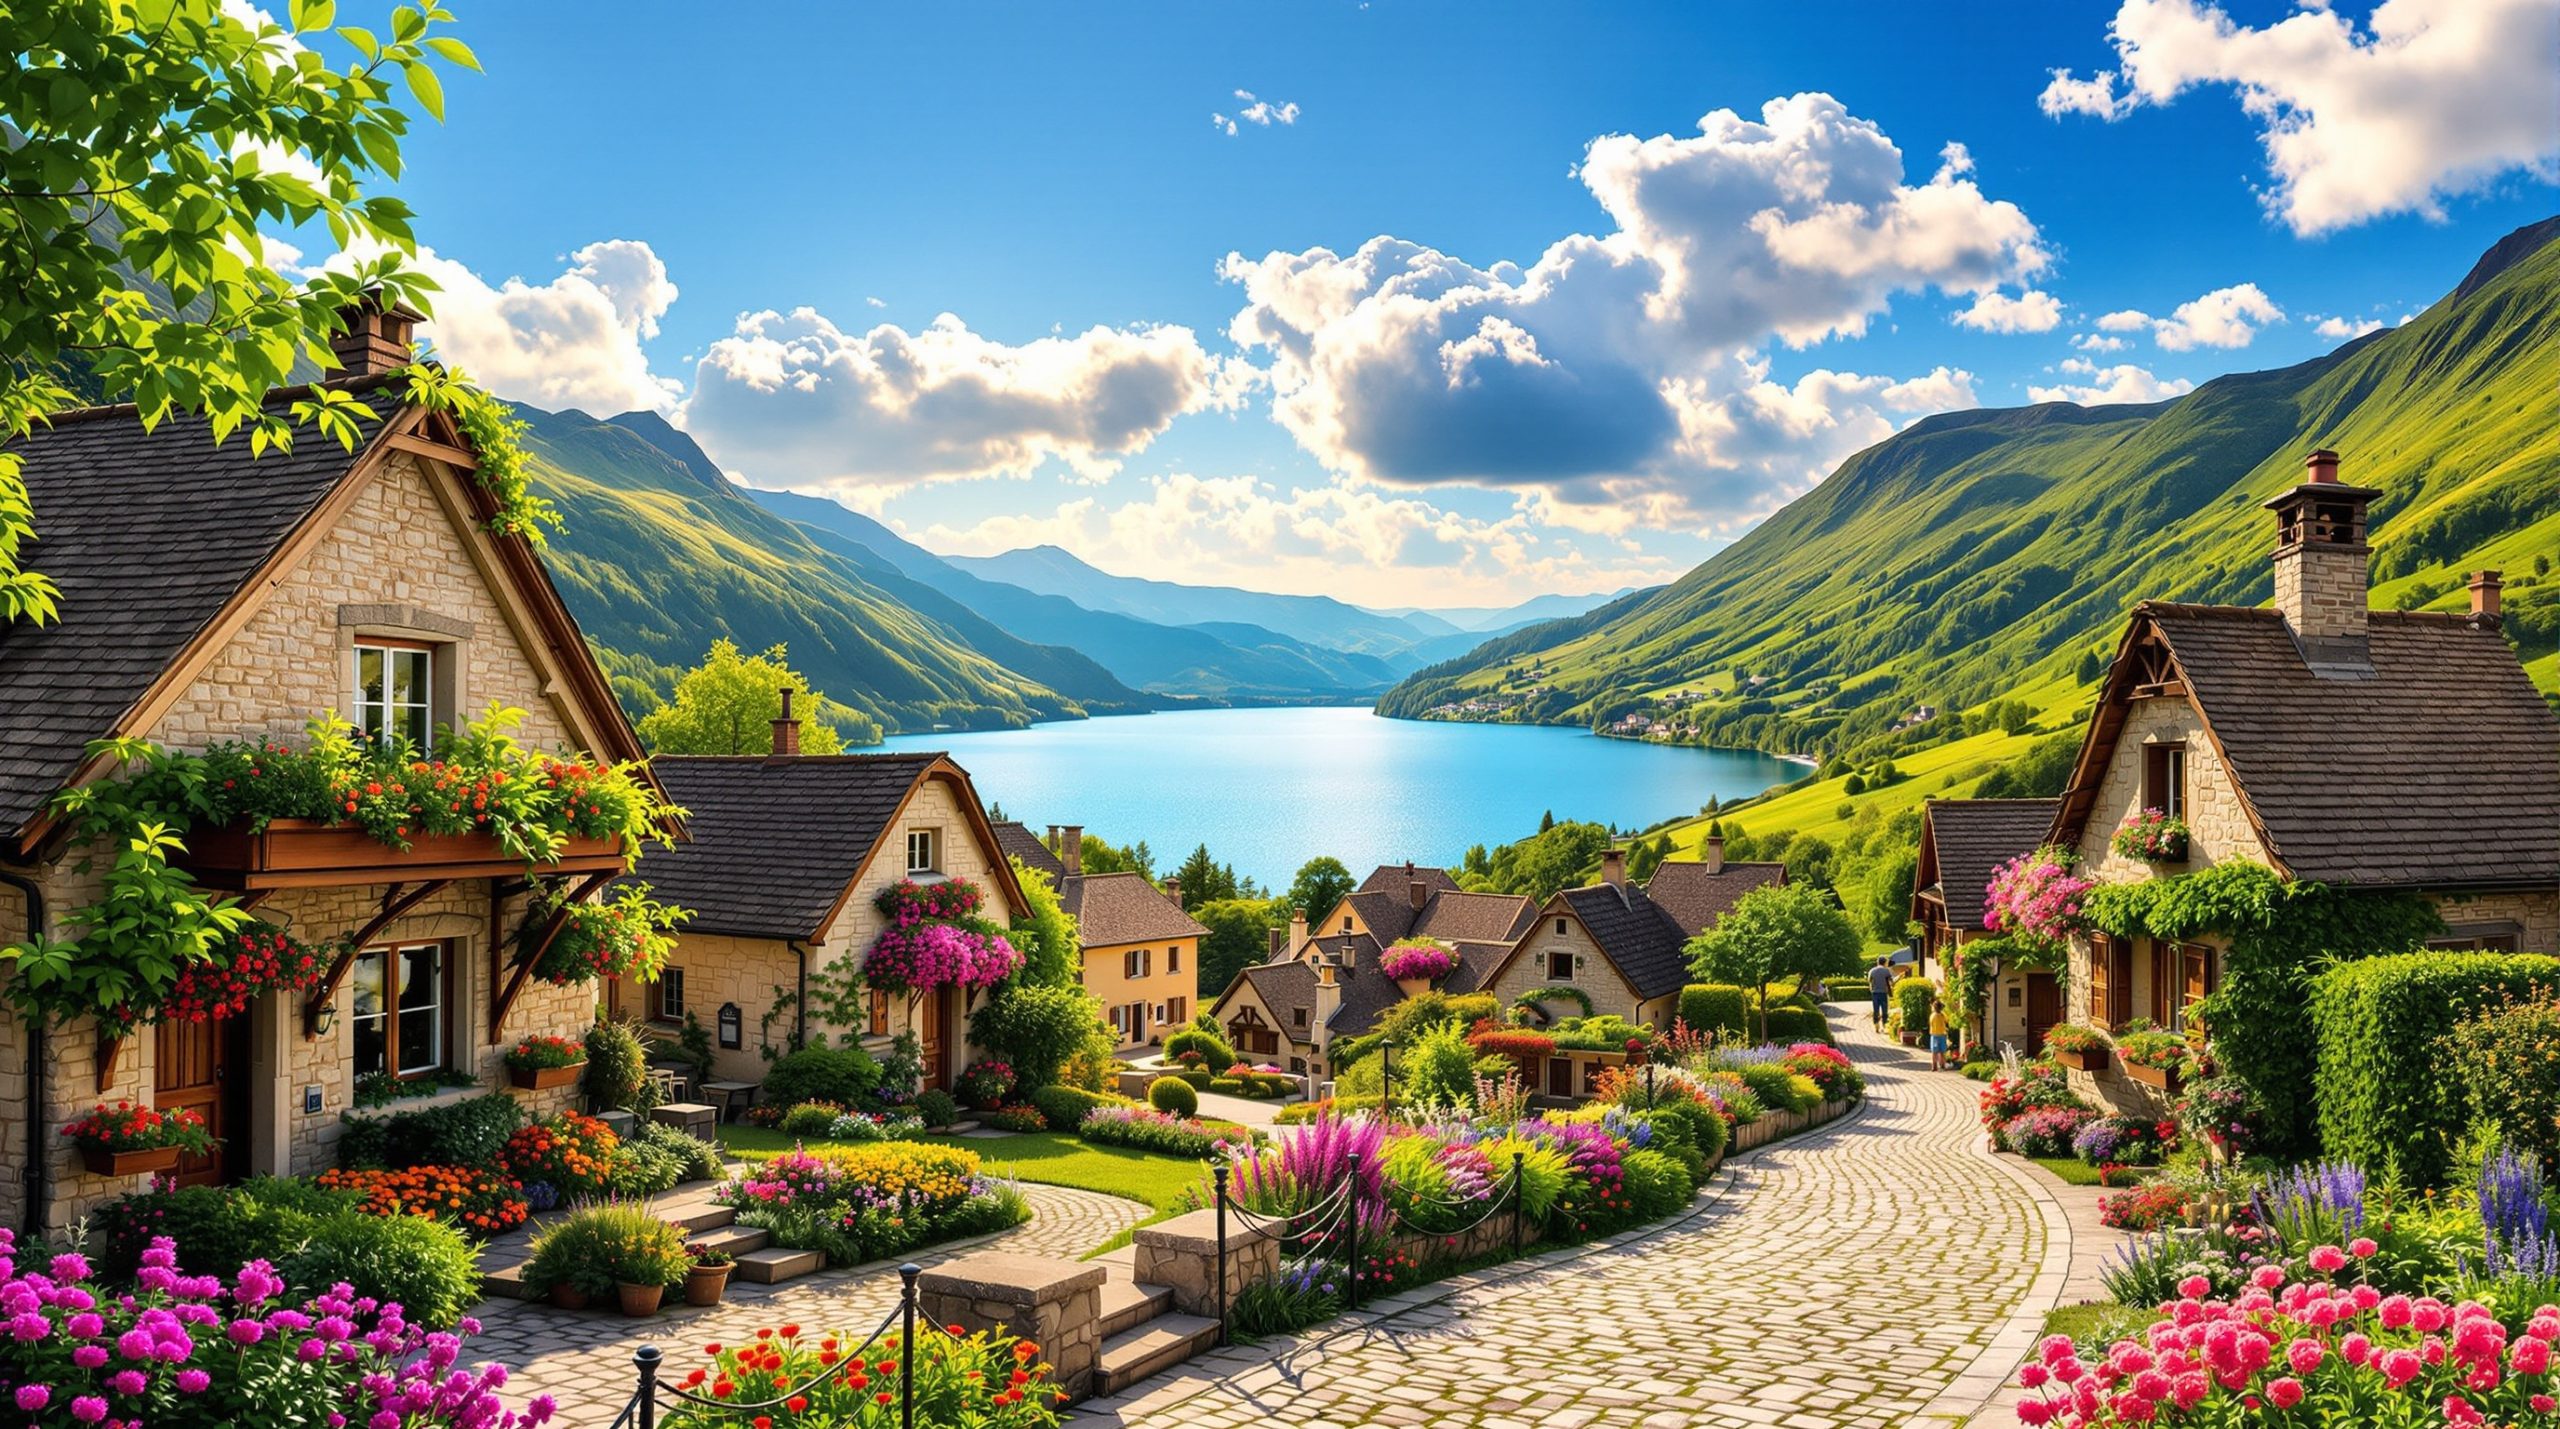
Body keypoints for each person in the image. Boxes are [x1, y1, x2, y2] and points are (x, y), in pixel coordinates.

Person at [1867, 956, 1895, 1031]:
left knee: (1876, 1009)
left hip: (1875, 993)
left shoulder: (1872, 971)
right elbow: (1891, 982)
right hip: (1883, 992)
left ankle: (1876, 1024)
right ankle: (1884, 1025)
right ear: (1885, 963)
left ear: (1878, 962)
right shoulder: (1886, 971)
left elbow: (1869, 981)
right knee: (1884, 1010)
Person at [1928, 997, 1952, 1071]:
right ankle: (1942, 1065)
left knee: (1934, 1052)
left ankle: (1934, 1066)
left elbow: (1930, 1024)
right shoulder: (1943, 1015)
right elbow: (1947, 1021)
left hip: (1934, 1035)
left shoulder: (1932, 1015)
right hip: (1942, 1035)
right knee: (1942, 1051)